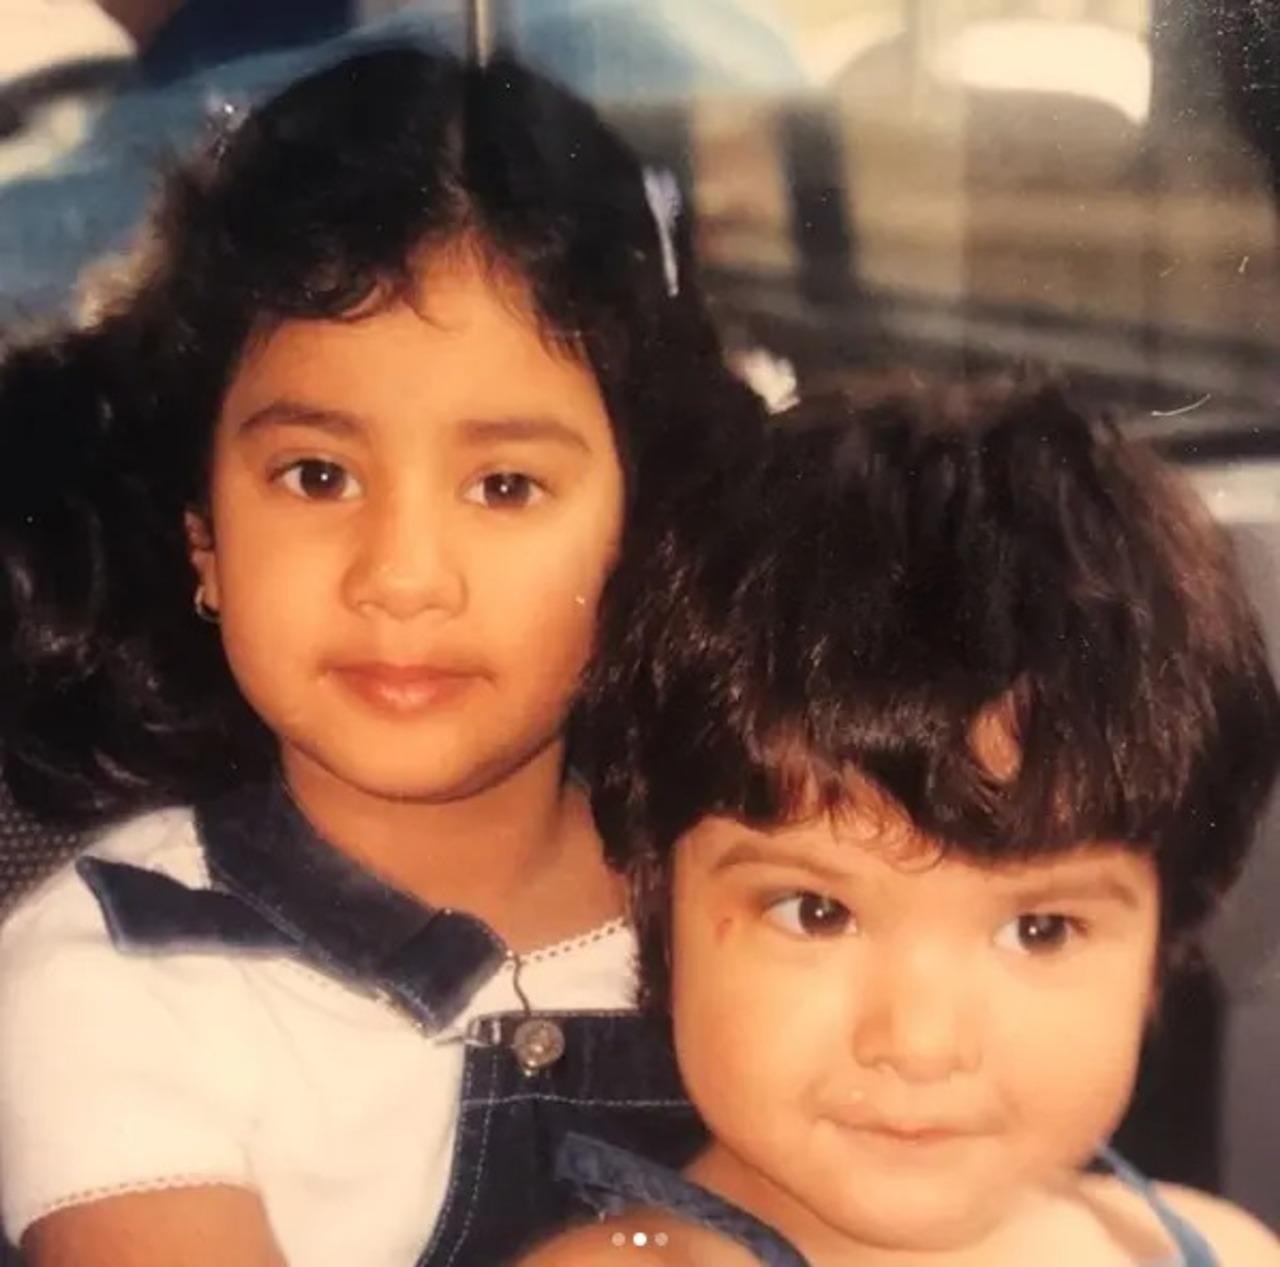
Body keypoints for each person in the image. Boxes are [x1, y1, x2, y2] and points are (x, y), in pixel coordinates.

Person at [0, 42, 760, 1267]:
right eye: (318, 474)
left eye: (504, 485)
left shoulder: (759, 908)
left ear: (639, 534)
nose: (400, 574)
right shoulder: (121, 964)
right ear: (204, 536)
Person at [523, 382, 1280, 1266]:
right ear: (654, 901)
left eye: (1040, 929)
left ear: (1161, 948)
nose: (919, 1043)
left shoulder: (1213, 1247)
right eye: (816, 912)